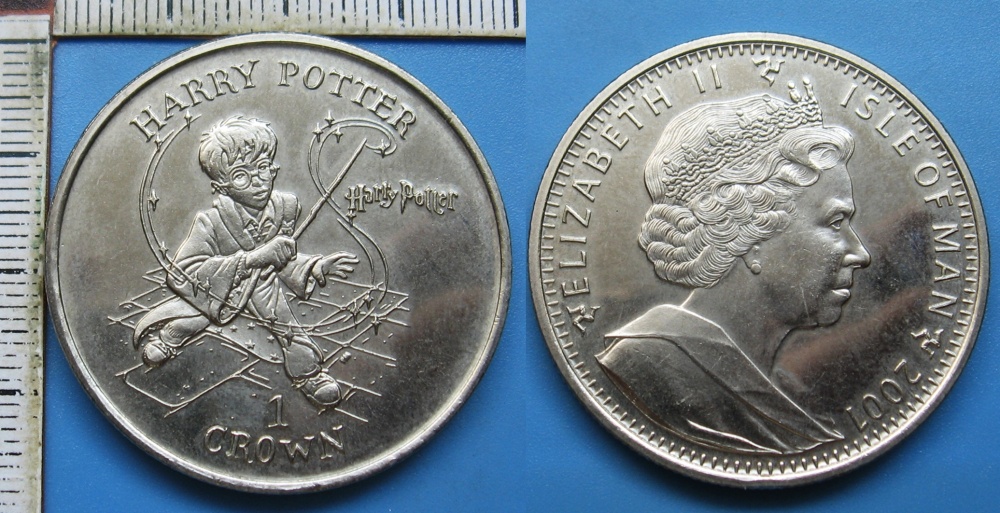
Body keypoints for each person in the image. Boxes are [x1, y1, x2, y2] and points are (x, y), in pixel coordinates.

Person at [597, 80, 871, 454]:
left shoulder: (781, 385)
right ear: (749, 235)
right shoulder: (647, 370)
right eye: (835, 222)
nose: (860, 253)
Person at [132, 116, 360, 407]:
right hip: (221, 288)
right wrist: (251, 259)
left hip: (264, 287)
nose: (258, 181)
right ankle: (171, 336)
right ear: (222, 186)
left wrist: (316, 266)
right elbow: (183, 272)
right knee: (199, 315)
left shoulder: (284, 209)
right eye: (242, 175)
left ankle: (308, 373)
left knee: (286, 325)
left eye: (263, 168)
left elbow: (282, 258)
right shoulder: (210, 222)